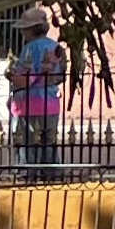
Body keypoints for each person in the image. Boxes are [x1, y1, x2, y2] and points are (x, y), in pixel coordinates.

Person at [8, 11, 69, 170]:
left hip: (28, 104)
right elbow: (62, 75)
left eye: (24, 29)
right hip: (51, 102)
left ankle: (28, 176)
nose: (22, 33)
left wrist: (11, 76)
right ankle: (51, 176)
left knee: (27, 144)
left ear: (31, 29)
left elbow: (26, 77)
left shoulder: (29, 49)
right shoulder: (57, 48)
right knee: (48, 142)